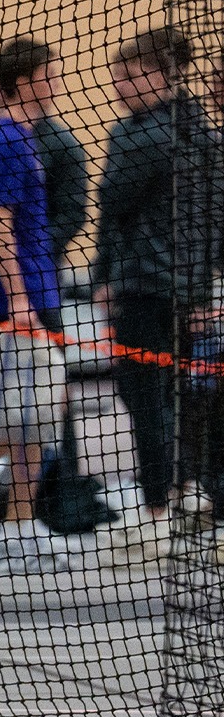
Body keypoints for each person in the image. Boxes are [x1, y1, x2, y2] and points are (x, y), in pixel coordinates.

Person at [94, 28, 222, 551]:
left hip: (147, 286)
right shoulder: (201, 130)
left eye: (128, 76)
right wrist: (202, 292)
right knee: (179, 397)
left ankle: (156, 512)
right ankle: (187, 491)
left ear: (159, 74)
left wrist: (105, 276)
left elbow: (110, 202)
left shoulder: (141, 134)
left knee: (146, 396)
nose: (119, 87)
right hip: (186, 288)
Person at [0, 38, 69, 558]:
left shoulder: (22, 138)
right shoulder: (5, 141)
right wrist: (19, 298)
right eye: (50, 75)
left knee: (34, 416)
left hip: (36, 289)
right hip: (20, 299)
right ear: (23, 83)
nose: (57, 83)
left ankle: (20, 524)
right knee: (24, 413)